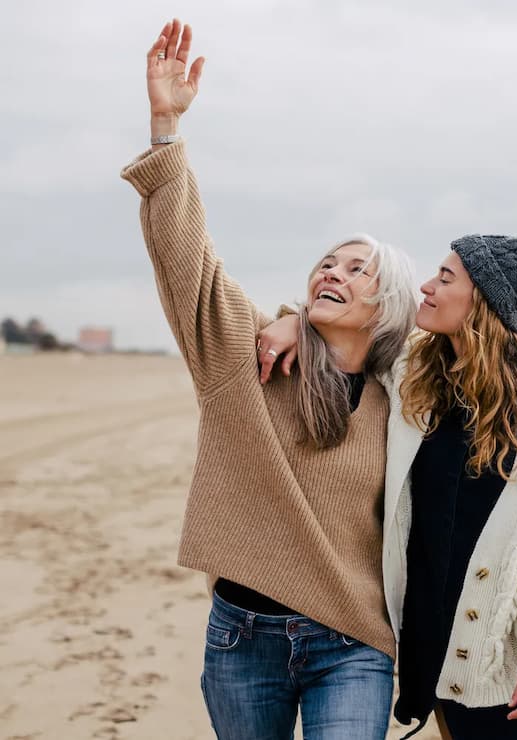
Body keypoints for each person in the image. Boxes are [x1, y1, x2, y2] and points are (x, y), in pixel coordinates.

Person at [120, 19, 419, 740]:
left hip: (351, 644)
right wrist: (165, 127)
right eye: (327, 262)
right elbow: (187, 257)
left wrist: (299, 316)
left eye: (357, 269)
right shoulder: (248, 357)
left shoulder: (406, 400)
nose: (332, 271)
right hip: (240, 640)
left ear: (390, 308)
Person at [261, 236, 517, 739]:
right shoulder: (413, 372)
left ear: (484, 301)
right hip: (440, 660)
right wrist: (294, 319)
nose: (426, 286)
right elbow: (350, 331)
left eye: (445, 279)